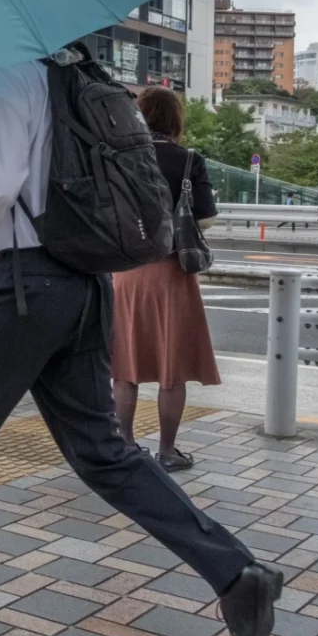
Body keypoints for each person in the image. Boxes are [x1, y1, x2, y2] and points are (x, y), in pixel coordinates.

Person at [0, 61, 280, 636]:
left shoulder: (2, 78)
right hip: (85, 284)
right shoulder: (66, 75)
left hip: (23, 287)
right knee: (105, 453)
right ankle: (236, 574)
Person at [112, 87, 219, 472]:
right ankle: (168, 452)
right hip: (172, 271)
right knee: (172, 369)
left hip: (125, 271)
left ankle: (125, 447)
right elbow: (205, 218)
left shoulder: (121, 157)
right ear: (175, 119)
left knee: (125, 367)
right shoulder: (188, 160)